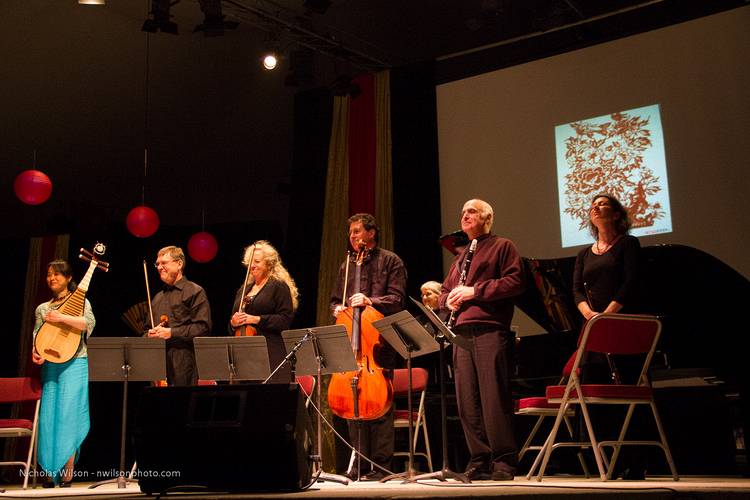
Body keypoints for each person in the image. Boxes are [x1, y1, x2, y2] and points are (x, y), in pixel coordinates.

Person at [439, 198, 524, 481]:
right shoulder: (461, 256)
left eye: (471, 211)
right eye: (462, 212)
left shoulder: (503, 246)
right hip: (461, 333)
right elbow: (444, 292)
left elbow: (514, 282)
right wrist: (447, 299)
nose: (465, 216)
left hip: (490, 330)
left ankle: (503, 461)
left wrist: (474, 292)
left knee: (493, 398)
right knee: (468, 402)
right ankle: (479, 459)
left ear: (487, 218)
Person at [330, 213, 407, 481]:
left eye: (357, 231)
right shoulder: (347, 266)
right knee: (353, 405)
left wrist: (370, 300)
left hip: (379, 342)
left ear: (372, 233)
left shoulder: (391, 261)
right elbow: (334, 301)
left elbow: (397, 299)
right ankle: (359, 462)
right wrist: (338, 308)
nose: (353, 237)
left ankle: (381, 465)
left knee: (381, 406)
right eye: (350, 233)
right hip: (351, 344)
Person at [572, 193, 644, 479]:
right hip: (593, 328)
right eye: (593, 204)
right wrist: (589, 314)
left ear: (616, 215)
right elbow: (576, 289)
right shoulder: (583, 253)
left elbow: (631, 282)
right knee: (597, 396)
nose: (595, 207)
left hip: (620, 325)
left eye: (603, 204)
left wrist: (608, 314)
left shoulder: (628, 244)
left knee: (624, 394)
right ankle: (605, 463)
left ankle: (634, 462)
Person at [32, 260, 95, 487]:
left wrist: (61, 317)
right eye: (49, 274)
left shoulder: (80, 301)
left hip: (76, 362)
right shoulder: (42, 308)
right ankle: (49, 472)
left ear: (69, 278)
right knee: (49, 417)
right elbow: (38, 334)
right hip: (51, 363)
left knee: (69, 413)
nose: (52, 278)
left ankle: (68, 471)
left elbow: (87, 323)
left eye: (57, 274)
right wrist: (35, 351)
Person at [228, 240, 299, 384]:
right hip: (243, 357)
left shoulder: (278, 286)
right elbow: (233, 323)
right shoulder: (244, 290)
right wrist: (233, 323)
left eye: (257, 261)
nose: (252, 265)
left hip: (270, 354)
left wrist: (256, 319)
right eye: (250, 262)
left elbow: (285, 320)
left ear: (269, 264)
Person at [148, 246, 211, 386]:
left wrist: (171, 332)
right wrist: (149, 334)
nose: (159, 267)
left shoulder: (195, 291)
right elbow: (145, 330)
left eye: (164, 263)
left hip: (185, 362)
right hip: (159, 365)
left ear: (179, 264)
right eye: (157, 264)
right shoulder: (157, 298)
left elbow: (203, 327)